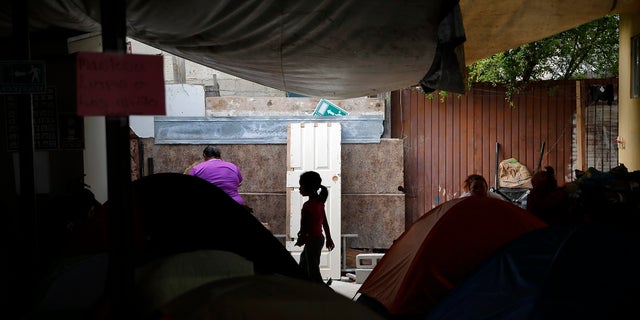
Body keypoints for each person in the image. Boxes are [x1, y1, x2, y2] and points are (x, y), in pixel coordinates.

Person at [294, 171, 335, 285]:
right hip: (318, 239)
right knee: (304, 264)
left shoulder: (308, 206)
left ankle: (323, 291)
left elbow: (304, 227)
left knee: (313, 271)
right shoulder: (319, 203)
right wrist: (329, 238)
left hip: (312, 240)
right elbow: (324, 222)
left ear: (308, 187)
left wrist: (301, 238)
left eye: (301, 185)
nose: (299, 188)